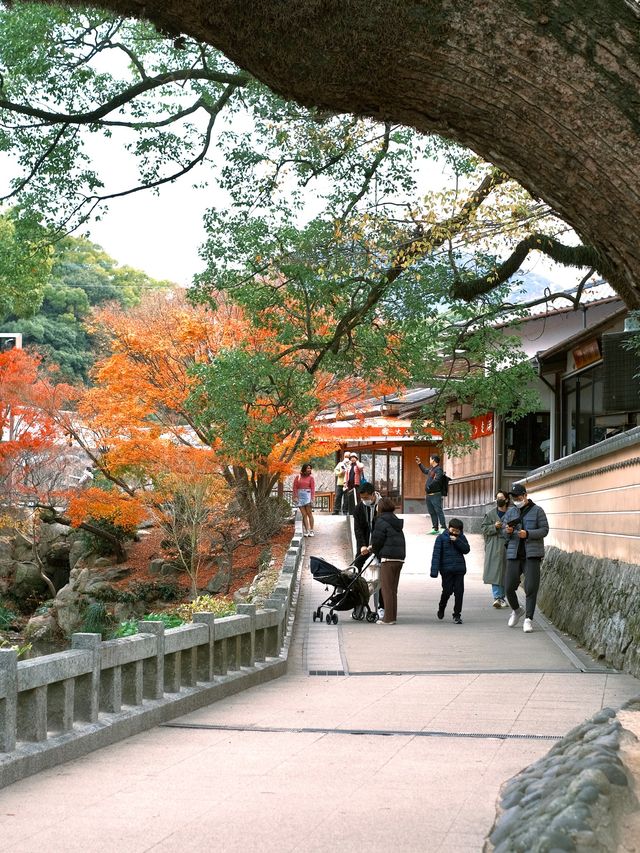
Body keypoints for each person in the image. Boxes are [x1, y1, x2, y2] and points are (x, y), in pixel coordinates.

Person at [502, 483, 549, 633]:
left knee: (531, 587)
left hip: (532, 554)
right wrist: (508, 531)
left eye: (518, 496)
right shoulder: (510, 513)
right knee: (508, 587)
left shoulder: (538, 511)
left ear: (525, 495)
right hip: (513, 553)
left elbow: (544, 530)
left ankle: (529, 619)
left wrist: (528, 534)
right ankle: (517, 610)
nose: (516, 499)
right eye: (514, 497)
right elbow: (503, 533)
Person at [368, 496, 405, 625]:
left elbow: (377, 541)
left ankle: (388, 618)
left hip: (388, 558)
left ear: (381, 507)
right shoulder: (395, 521)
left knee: (386, 589)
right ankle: (392, 616)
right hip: (399, 558)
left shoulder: (381, 521)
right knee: (393, 589)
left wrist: (374, 550)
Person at [352, 481, 384, 617]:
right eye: (362, 498)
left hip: (381, 547)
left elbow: (385, 529)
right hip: (365, 546)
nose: (364, 500)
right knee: (357, 569)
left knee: (382, 576)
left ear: (373, 495)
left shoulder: (383, 505)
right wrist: (363, 545)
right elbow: (358, 529)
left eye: (366, 498)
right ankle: (359, 604)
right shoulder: (359, 508)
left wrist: (375, 546)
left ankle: (382, 606)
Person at [430, 518, 470, 624]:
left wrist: (457, 541)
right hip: (446, 570)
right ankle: (441, 607)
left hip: (459, 570)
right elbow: (436, 555)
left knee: (459, 592)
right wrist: (434, 571)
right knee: (447, 591)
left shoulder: (461, 538)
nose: (455, 532)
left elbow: (466, 550)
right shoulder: (441, 538)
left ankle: (457, 615)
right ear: (449, 528)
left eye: (457, 531)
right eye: (453, 530)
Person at [481, 490, 510, 608]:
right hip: (494, 545)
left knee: (506, 571)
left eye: (501, 498)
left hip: (508, 545)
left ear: (507, 500)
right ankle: (498, 597)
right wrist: (494, 527)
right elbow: (483, 528)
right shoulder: (490, 514)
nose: (499, 500)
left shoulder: (512, 513)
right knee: (495, 570)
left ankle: (502, 597)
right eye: (497, 498)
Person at [416, 453, 446, 533]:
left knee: (438, 511)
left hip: (435, 494)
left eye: (430, 459)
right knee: (432, 512)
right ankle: (435, 528)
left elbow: (438, 480)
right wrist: (419, 464)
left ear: (433, 460)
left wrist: (429, 486)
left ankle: (443, 527)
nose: (429, 460)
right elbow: (425, 470)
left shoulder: (439, 469)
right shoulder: (431, 469)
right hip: (429, 495)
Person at [292, 463, 316, 537]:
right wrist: (295, 496)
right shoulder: (298, 477)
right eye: (308, 468)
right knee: (304, 514)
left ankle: (311, 530)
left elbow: (313, 488)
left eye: (310, 468)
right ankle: (306, 530)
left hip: (308, 496)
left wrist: (312, 498)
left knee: (309, 514)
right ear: (304, 468)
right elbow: (295, 487)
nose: (309, 469)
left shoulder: (311, 478)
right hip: (300, 496)